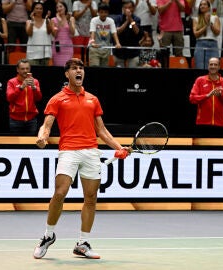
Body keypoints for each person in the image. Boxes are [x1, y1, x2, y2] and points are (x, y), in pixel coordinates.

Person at [33, 58, 130, 259]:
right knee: (60, 192)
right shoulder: (57, 99)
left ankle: (82, 243)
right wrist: (42, 136)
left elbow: (101, 130)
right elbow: (47, 124)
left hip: (91, 152)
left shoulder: (92, 99)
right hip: (68, 150)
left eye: (81, 68)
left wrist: (119, 148)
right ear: (67, 74)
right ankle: (48, 235)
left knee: (91, 198)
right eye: (75, 69)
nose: (79, 71)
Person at [189, 57, 223, 136]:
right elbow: (192, 98)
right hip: (202, 123)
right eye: (211, 64)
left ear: (219, 67)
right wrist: (207, 95)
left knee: (218, 148)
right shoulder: (200, 80)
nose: (213, 66)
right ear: (208, 66)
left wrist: (221, 96)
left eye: (215, 64)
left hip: (219, 123)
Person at [6, 59, 42, 135]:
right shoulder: (12, 82)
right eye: (22, 69)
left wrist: (34, 88)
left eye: (27, 68)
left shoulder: (35, 81)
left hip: (31, 120)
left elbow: (39, 98)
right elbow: (9, 98)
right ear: (17, 70)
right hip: (16, 120)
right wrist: (21, 87)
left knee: (31, 145)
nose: (25, 71)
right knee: (15, 145)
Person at [88, 3, 121, 67]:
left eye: (105, 12)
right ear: (98, 12)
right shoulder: (94, 20)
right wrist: (92, 42)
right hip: (95, 49)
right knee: (94, 68)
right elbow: (92, 32)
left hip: (106, 49)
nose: (103, 14)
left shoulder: (111, 21)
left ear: (108, 13)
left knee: (104, 71)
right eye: (101, 12)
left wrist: (117, 43)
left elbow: (114, 33)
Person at [113, 0, 143, 67]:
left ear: (133, 8)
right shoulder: (118, 18)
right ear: (123, 9)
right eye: (126, 8)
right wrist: (127, 21)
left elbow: (137, 31)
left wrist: (131, 19)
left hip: (133, 52)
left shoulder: (137, 19)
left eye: (130, 7)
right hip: (119, 51)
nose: (128, 10)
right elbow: (118, 31)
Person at [192, 0, 221, 69]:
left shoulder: (215, 18)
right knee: (200, 66)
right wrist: (206, 25)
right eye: (201, 5)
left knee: (213, 67)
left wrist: (210, 23)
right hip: (200, 44)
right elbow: (196, 34)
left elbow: (217, 32)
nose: (202, 6)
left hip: (213, 44)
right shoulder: (196, 19)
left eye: (204, 4)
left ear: (209, 7)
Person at [25, 1, 53, 65]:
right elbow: (29, 33)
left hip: (45, 53)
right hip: (32, 53)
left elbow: (49, 32)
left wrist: (47, 20)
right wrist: (32, 21)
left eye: (41, 8)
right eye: (37, 8)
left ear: (43, 10)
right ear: (33, 10)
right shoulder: (28, 21)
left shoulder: (47, 20)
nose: (39, 10)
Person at [51, 1, 76, 66]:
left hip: (68, 47)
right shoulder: (53, 20)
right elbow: (54, 35)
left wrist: (69, 21)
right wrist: (59, 20)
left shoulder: (71, 18)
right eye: (57, 7)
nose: (59, 9)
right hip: (57, 47)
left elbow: (72, 33)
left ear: (65, 8)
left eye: (61, 6)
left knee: (67, 67)